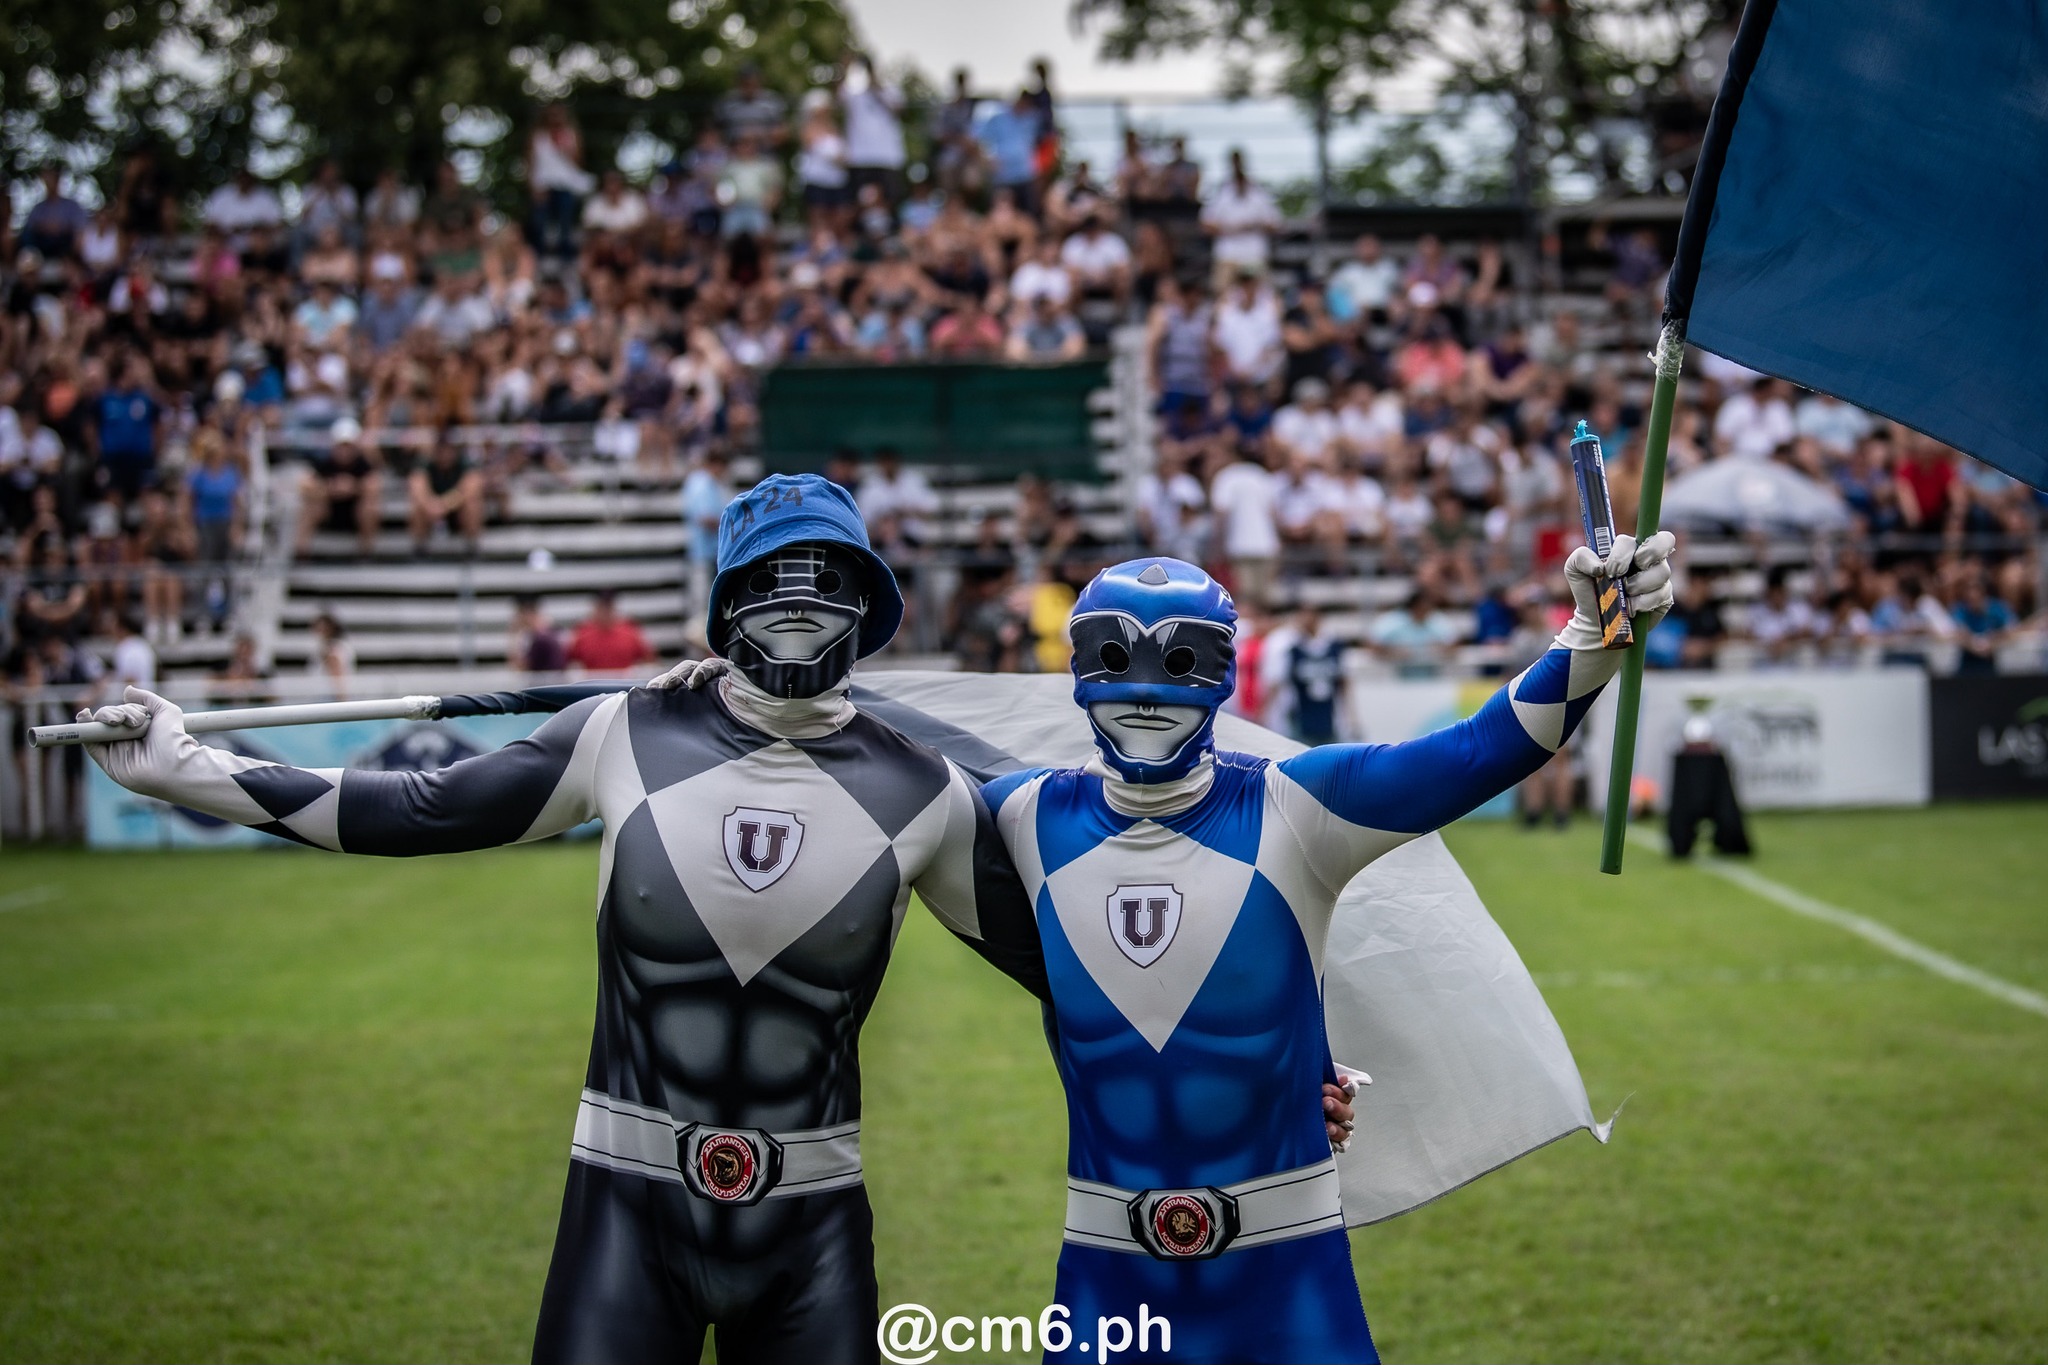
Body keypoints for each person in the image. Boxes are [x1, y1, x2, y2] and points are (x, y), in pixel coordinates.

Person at [73, 475, 1057, 1364]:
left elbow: (1083, 975)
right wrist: (188, 770)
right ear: (727, 604)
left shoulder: (924, 790)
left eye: (825, 577)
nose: (798, 606)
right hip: (624, 1218)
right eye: (773, 579)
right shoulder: (619, 732)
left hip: (813, 1231)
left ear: (865, 600)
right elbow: (415, 809)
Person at [975, 533, 1675, 1364]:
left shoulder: (1296, 806)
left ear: (1222, 670)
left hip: (1287, 1266)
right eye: (1117, 654)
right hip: (1105, 1274)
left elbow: (1480, 749)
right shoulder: (1014, 816)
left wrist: (1592, 635)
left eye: (1182, 659)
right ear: (1082, 666)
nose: (1147, 691)